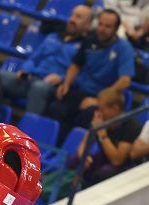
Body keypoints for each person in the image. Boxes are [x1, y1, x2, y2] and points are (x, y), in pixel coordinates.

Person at [47, 9, 135, 141]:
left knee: (89, 115)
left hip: (103, 97)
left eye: (107, 26)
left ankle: (75, 153)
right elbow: (75, 65)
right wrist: (66, 84)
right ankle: (55, 147)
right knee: (56, 107)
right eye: (100, 24)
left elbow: (125, 80)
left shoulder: (124, 48)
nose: (102, 29)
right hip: (82, 90)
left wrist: (100, 100)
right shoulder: (89, 41)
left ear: (116, 29)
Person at [0, 3, 93, 116]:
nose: (72, 19)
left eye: (78, 17)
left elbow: (83, 76)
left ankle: (28, 129)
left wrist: (62, 79)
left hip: (53, 87)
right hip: (31, 78)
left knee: (39, 88)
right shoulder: (53, 36)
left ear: (88, 24)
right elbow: (33, 59)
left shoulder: (87, 47)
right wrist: (25, 70)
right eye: (72, 15)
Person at [73, 87, 139, 186]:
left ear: (115, 109)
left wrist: (102, 133)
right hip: (104, 160)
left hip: (124, 168)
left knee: (100, 175)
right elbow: (84, 144)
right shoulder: (102, 119)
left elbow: (117, 161)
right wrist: (84, 156)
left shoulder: (131, 126)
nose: (99, 113)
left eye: (102, 109)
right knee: (74, 161)